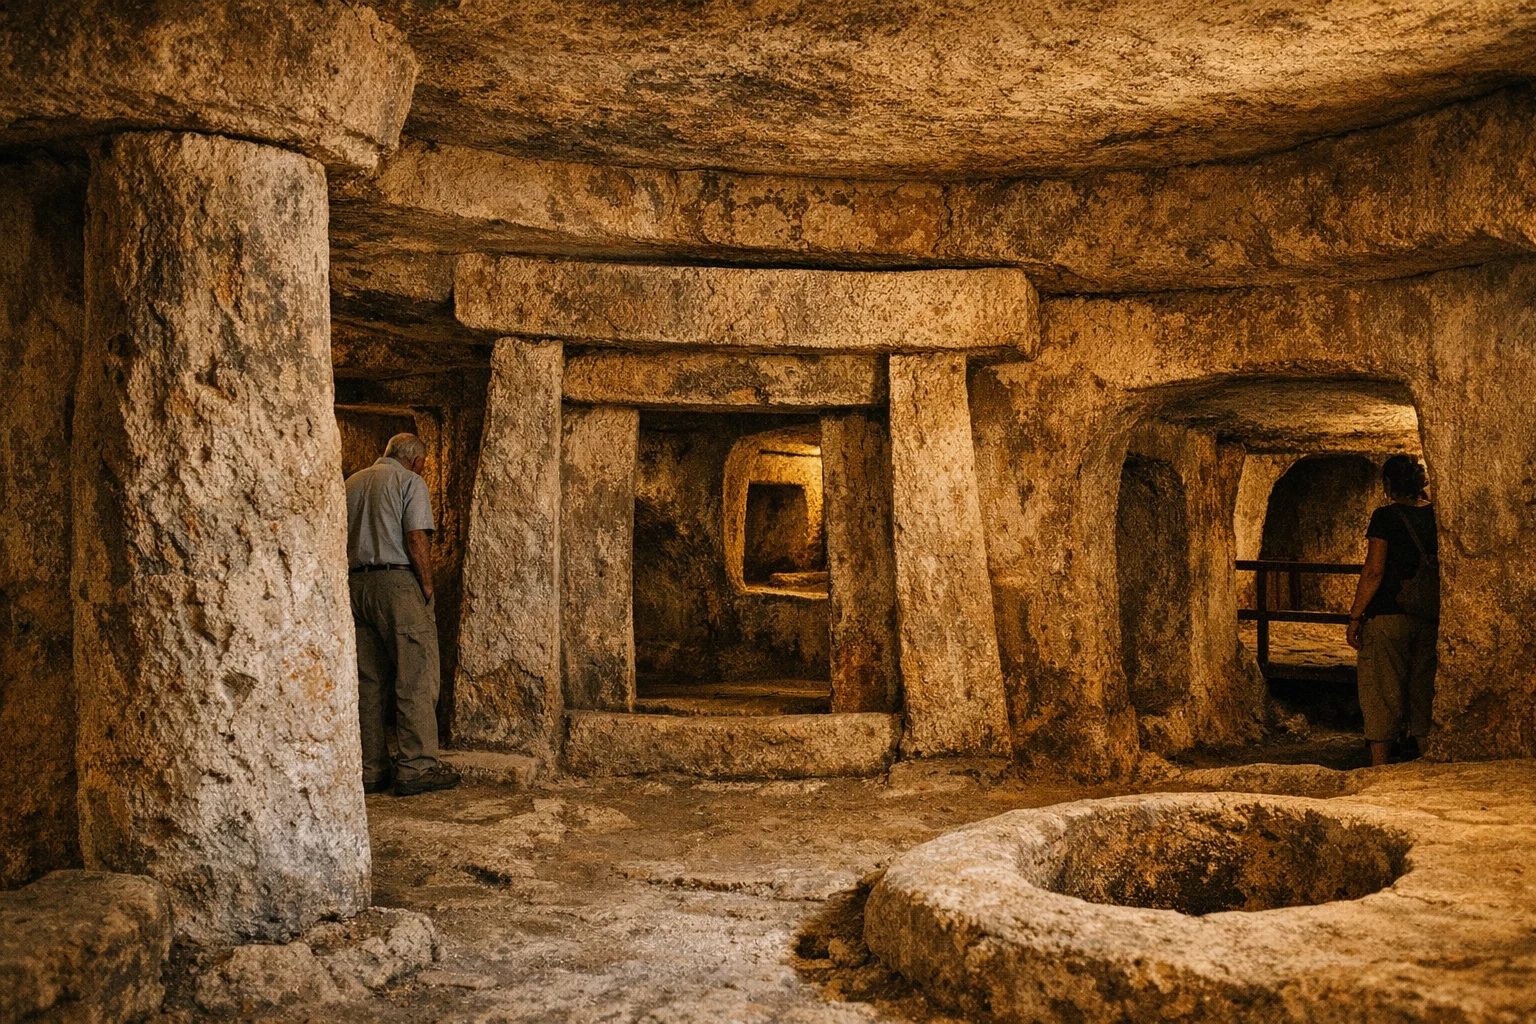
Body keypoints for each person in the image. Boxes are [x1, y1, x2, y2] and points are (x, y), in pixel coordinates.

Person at [345, 433, 461, 797]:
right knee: (416, 675)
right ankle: (417, 767)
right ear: (416, 460)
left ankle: (371, 769)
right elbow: (415, 538)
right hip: (397, 582)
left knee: (368, 681)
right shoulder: (409, 481)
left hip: (354, 585)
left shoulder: (351, 483)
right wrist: (426, 586)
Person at [1345, 455, 1437, 767]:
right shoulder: (1436, 515)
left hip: (1388, 617)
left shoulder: (1385, 517)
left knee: (1382, 694)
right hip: (1428, 616)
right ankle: (1430, 764)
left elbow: (1374, 571)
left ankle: (1380, 769)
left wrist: (1356, 615)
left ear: (1388, 484)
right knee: (1423, 695)